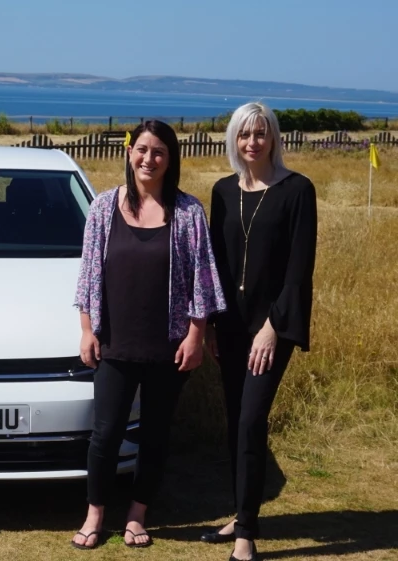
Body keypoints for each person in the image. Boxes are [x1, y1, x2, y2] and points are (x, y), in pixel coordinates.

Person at [72, 120, 226, 550]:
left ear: (170, 159)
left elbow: (203, 280)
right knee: (105, 434)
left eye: (159, 151)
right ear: (129, 152)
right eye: (142, 149)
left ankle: (138, 516)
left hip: (168, 347)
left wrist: (196, 336)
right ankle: (95, 514)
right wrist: (87, 330)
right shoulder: (104, 207)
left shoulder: (189, 212)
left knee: (155, 434)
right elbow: (87, 276)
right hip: (115, 345)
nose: (149, 158)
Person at [201, 102, 317, 561]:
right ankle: (240, 513)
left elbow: (299, 270)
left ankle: (246, 534)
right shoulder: (223, 192)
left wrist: (272, 327)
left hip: (273, 326)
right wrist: (209, 323)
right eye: (244, 134)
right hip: (229, 325)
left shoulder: (297, 190)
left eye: (261, 133)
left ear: (274, 138)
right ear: (234, 140)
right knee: (236, 425)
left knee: (251, 420)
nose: (253, 142)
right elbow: (215, 267)